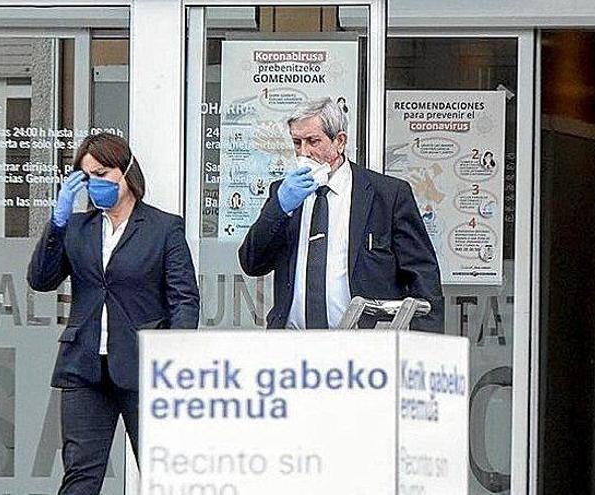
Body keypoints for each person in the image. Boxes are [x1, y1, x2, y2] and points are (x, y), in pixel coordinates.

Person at [27, 132, 200, 495]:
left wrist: (172, 357)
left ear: (126, 173)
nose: (95, 184)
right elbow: (41, 279)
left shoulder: (163, 228)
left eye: (103, 173)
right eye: (87, 177)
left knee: (164, 474)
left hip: (144, 369)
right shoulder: (78, 228)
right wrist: (57, 224)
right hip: (84, 368)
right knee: (80, 476)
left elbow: (184, 299)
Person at [238, 97, 444, 332]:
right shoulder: (284, 192)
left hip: (364, 344)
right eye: (297, 143)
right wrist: (280, 208)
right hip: (293, 343)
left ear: (339, 141)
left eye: (313, 141)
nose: (303, 153)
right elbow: (252, 263)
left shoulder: (387, 195)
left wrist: (427, 345)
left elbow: (423, 274)